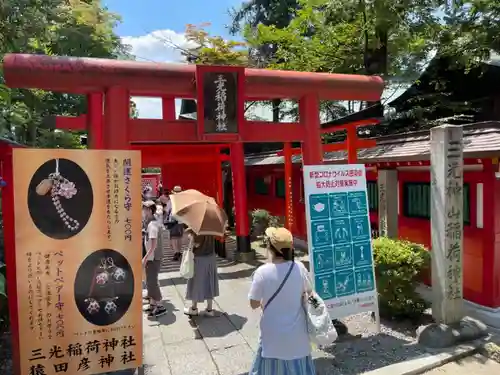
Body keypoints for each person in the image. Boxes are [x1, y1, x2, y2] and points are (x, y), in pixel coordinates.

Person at [248, 227, 315, 375]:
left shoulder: (262, 272)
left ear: (269, 247)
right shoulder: (299, 268)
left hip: (272, 337)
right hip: (298, 337)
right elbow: (310, 293)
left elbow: (253, 303)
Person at [183, 229, 220, 317]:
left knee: (196, 282)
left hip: (200, 258)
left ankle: (194, 308)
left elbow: (197, 244)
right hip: (210, 257)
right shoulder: (210, 227)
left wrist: (191, 238)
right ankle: (209, 308)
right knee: (209, 281)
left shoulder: (198, 230)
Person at [142, 201, 167, 318]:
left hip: (153, 258)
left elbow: (153, 245)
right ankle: (153, 304)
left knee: (152, 282)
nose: (143, 211)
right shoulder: (150, 223)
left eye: (145, 209)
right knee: (150, 281)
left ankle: (160, 305)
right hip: (152, 257)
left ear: (150, 211)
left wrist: (145, 258)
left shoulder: (152, 225)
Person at [166, 186, 185, 261]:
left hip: (173, 221)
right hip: (181, 221)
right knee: (179, 237)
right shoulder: (183, 201)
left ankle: (176, 252)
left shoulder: (171, 201)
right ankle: (179, 251)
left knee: (173, 237)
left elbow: (167, 210)